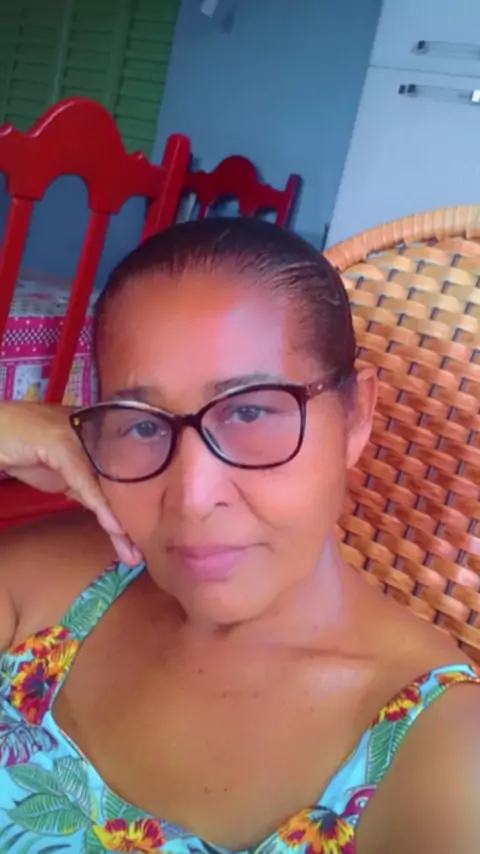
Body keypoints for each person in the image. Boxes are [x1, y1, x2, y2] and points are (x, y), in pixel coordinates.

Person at [0, 218, 478, 854]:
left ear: (357, 415)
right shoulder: (63, 587)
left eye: (250, 411)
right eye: (143, 424)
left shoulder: (441, 754)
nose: (192, 498)